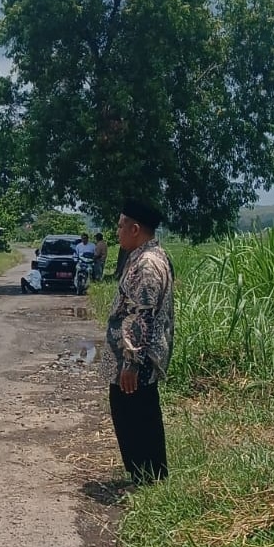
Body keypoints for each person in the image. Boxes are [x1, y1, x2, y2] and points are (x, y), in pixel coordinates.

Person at [101, 199, 174, 484]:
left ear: (134, 229)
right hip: (138, 358)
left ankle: (147, 477)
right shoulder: (150, 256)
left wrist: (131, 362)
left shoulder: (146, 264)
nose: (116, 231)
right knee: (141, 416)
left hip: (134, 361)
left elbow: (141, 315)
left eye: (120, 226)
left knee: (135, 419)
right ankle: (148, 476)